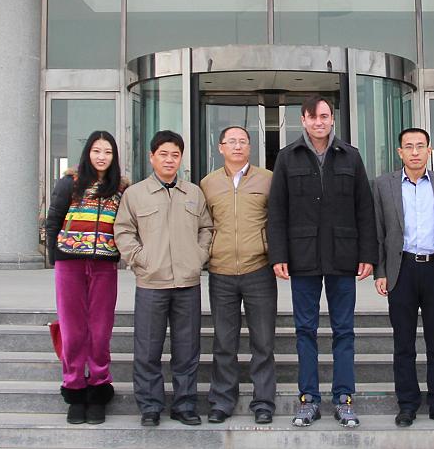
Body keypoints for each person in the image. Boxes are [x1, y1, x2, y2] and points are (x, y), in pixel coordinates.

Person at [267, 95, 376, 428]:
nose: (319, 122)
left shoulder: (351, 156)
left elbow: (364, 208)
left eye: (324, 116)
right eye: (313, 116)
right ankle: (309, 399)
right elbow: (277, 210)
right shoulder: (287, 157)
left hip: (343, 255)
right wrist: (278, 254)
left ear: (332, 119)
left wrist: (368, 254)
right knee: (305, 330)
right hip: (303, 256)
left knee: (344, 330)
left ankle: (343, 398)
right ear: (303, 120)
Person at [115, 130, 213, 427]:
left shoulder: (193, 193)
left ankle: (185, 405)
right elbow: (123, 231)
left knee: (187, 349)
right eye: (163, 154)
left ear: (181, 158)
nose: (169, 160)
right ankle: (150, 406)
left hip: (187, 283)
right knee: (148, 349)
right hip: (151, 283)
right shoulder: (135, 194)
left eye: (175, 155)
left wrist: (198, 256)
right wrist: (140, 259)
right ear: (152, 157)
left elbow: (206, 229)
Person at [373, 127, 434, 428]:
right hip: (402, 270)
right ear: (400, 152)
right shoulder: (383, 185)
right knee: (404, 343)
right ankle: (407, 405)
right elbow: (378, 232)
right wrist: (381, 271)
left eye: (420, 146)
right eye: (409, 146)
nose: (415, 152)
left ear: (429, 150)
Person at [45, 130, 128, 425]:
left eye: (107, 152)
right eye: (96, 151)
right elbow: (53, 220)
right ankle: (74, 389)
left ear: (114, 156)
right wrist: (56, 256)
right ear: (87, 153)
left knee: (100, 330)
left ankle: (98, 388)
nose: (102, 157)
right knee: (73, 330)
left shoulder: (121, 188)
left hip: (105, 266)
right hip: (70, 264)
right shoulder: (70, 182)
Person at [200, 125, 276, 425]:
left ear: (250, 147)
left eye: (243, 141)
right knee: (224, 342)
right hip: (221, 272)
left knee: (263, 342)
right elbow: (204, 225)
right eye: (231, 141)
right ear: (220, 147)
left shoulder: (268, 179)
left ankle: (264, 402)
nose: (237, 146)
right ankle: (222, 401)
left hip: (259, 270)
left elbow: (277, 219)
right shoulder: (207, 184)